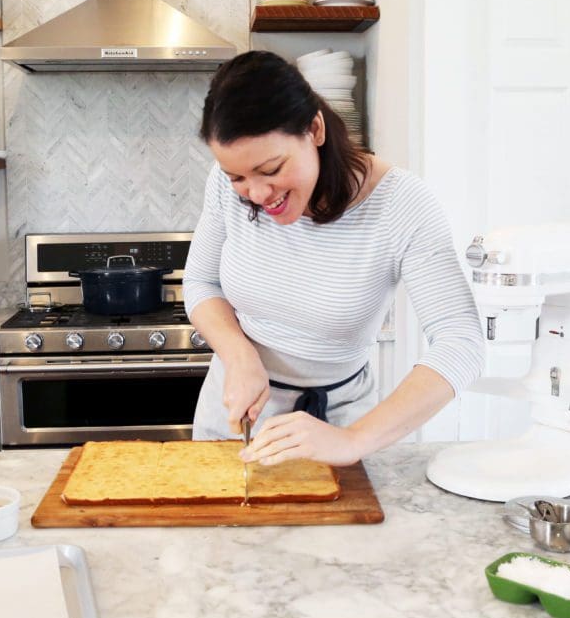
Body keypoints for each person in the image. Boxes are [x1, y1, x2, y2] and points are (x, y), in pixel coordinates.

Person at [183, 51, 485, 468]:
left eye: (270, 169)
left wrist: (352, 441)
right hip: (234, 416)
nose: (255, 193)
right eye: (237, 177)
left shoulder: (402, 205)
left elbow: (461, 343)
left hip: (338, 427)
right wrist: (239, 355)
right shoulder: (224, 186)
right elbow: (201, 283)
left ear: (315, 129)